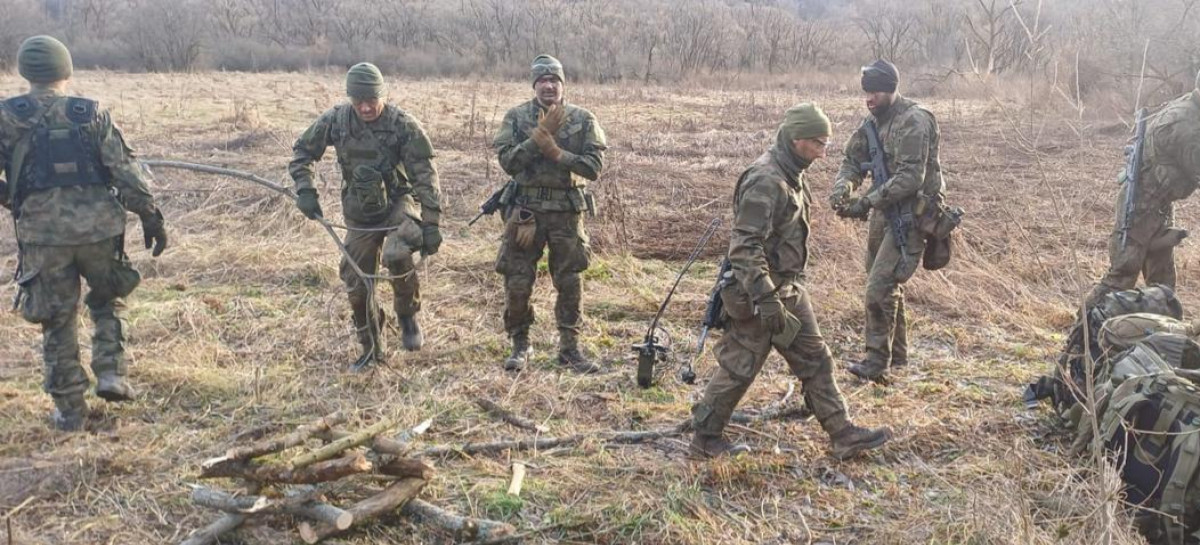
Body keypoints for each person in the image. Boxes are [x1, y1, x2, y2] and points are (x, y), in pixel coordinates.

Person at [690, 103, 891, 459]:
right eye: (818, 143)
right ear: (797, 139)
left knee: (816, 359)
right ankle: (705, 439)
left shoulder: (793, 172)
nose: (824, 151)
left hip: (789, 290)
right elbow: (744, 247)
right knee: (739, 368)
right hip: (758, 293)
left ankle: (842, 433)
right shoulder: (766, 179)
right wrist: (766, 299)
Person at [1, 35, 167, 431]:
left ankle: (69, 410)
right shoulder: (89, 113)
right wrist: (151, 216)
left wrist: (14, 198)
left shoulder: (7, 117)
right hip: (100, 231)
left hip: (44, 237)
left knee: (57, 321)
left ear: (26, 72)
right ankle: (111, 372)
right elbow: (127, 174)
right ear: (66, 70)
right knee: (107, 300)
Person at [289, 63, 442, 370]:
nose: (366, 106)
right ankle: (371, 346)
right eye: (358, 100)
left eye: (372, 99)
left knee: (397, 253)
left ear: (382, 94)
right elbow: (302, 153)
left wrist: (432, 223)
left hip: (399, 201)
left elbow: (425, 175)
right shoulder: (337, 120)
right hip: (360, 210)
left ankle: (407, 314)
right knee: (356, 280)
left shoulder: (402, 124)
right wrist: (306, 189)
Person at [830, 59, 944, 382]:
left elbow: (910, 178)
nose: (869, 99)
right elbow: (852, 159)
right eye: (866, 92)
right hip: (885, 209)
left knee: (880, 286)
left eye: (876, 92)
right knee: (880, 282)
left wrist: (865, 201)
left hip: (912, 213)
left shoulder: (915, 120)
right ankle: (898, 358)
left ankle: (877, 362)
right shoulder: (873, 123)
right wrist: (843, 188)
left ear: (892, 89)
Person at [492, 54, 607, 373]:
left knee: (569, 280)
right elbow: (508, 163)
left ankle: (570, 349)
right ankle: (519, 344)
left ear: (562, 84)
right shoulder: (516, 117)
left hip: (566, 213)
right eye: (542, 80)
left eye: (554, 80)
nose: (549, 85)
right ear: (534, 85)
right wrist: (535, 141)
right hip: (525, 213)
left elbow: (594, 168)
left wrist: (558, 153)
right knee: (517, 279)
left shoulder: (583, 119)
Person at [1084, 71, 1200, 309]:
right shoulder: (1187, 126)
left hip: (1158, 204)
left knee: (1162, 284)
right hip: (1141, 206)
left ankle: (1159, 338)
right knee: (1122, 275)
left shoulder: (1191, 109)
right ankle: (1083, 335)